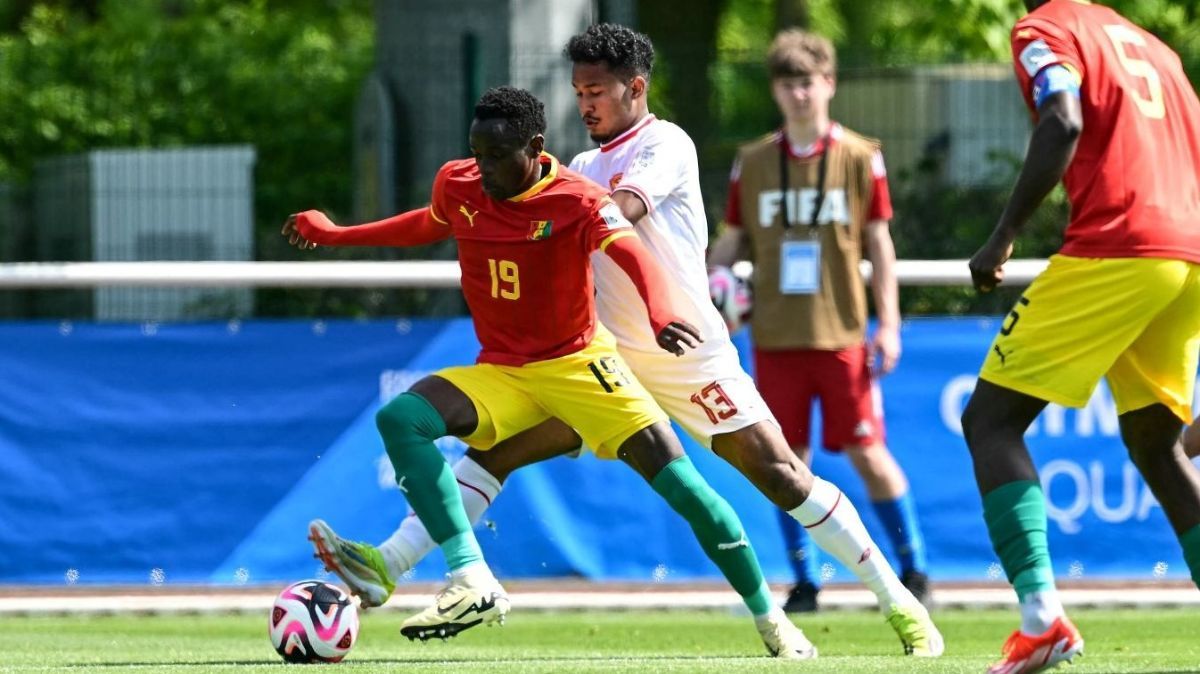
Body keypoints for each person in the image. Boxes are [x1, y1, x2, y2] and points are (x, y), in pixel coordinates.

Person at [299, 24, 942, 658]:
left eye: (597, 90)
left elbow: (617, 214)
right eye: (579, 91)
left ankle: (897, 601)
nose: (585, 102)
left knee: (779, 475)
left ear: (635, 88)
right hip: (599, 357)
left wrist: (538, 209)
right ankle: (392, 564)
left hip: (684, 351)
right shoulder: (574, 166)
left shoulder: (665, 146)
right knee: (495, 453)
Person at [962, 1, 1200, 672]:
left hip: (1119, 248)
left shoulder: (1046, 29)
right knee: (1159, 447)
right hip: (1188, 255)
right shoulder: (1158, 49)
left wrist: (1003, 234)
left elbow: (1062, 118)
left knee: (991, 422)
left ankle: (1041, 619)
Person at [708, 28, 931, 614]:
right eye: (787, 85)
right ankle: (806, 581)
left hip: (841, 335)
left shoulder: (860, 156)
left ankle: (914, 569)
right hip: (776, 337)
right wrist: (707, 298)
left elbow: (880, 244)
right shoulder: (753, 162)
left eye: (808, 83)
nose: (799, 95)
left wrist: (890, 323)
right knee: (786, 463)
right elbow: (730, 243)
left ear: (828, 84)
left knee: (868, 453)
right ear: (776, 92)